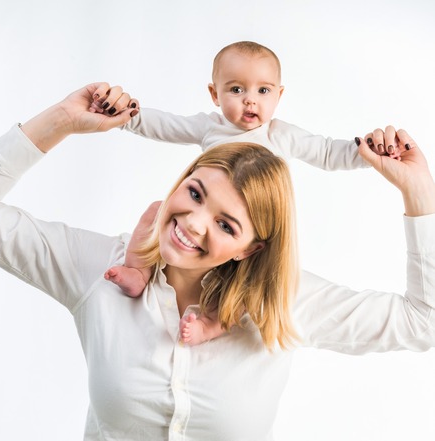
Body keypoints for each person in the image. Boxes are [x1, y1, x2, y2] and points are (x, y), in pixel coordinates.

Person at [0, 83, 434, 441]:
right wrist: (61, 121)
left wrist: (419, 193)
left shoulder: (285, 300)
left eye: (226, 225)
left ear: (251, 248)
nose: (193, 223)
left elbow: (423, 322)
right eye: (195, 193)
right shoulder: (99, 268)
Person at [99, 40, 401, 344]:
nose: (250, 101)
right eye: (236, 90)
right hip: (212, 227)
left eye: (263, 91)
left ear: (279, 95)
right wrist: (125, 115)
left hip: (247, 237)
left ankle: (210, 325)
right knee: (155, 211)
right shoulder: (210, 127)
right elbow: (166, 125)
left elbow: (326, 152)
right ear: (214, 94)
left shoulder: (280, 135)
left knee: (251, 282)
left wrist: (370, 153)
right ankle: (137, 271)